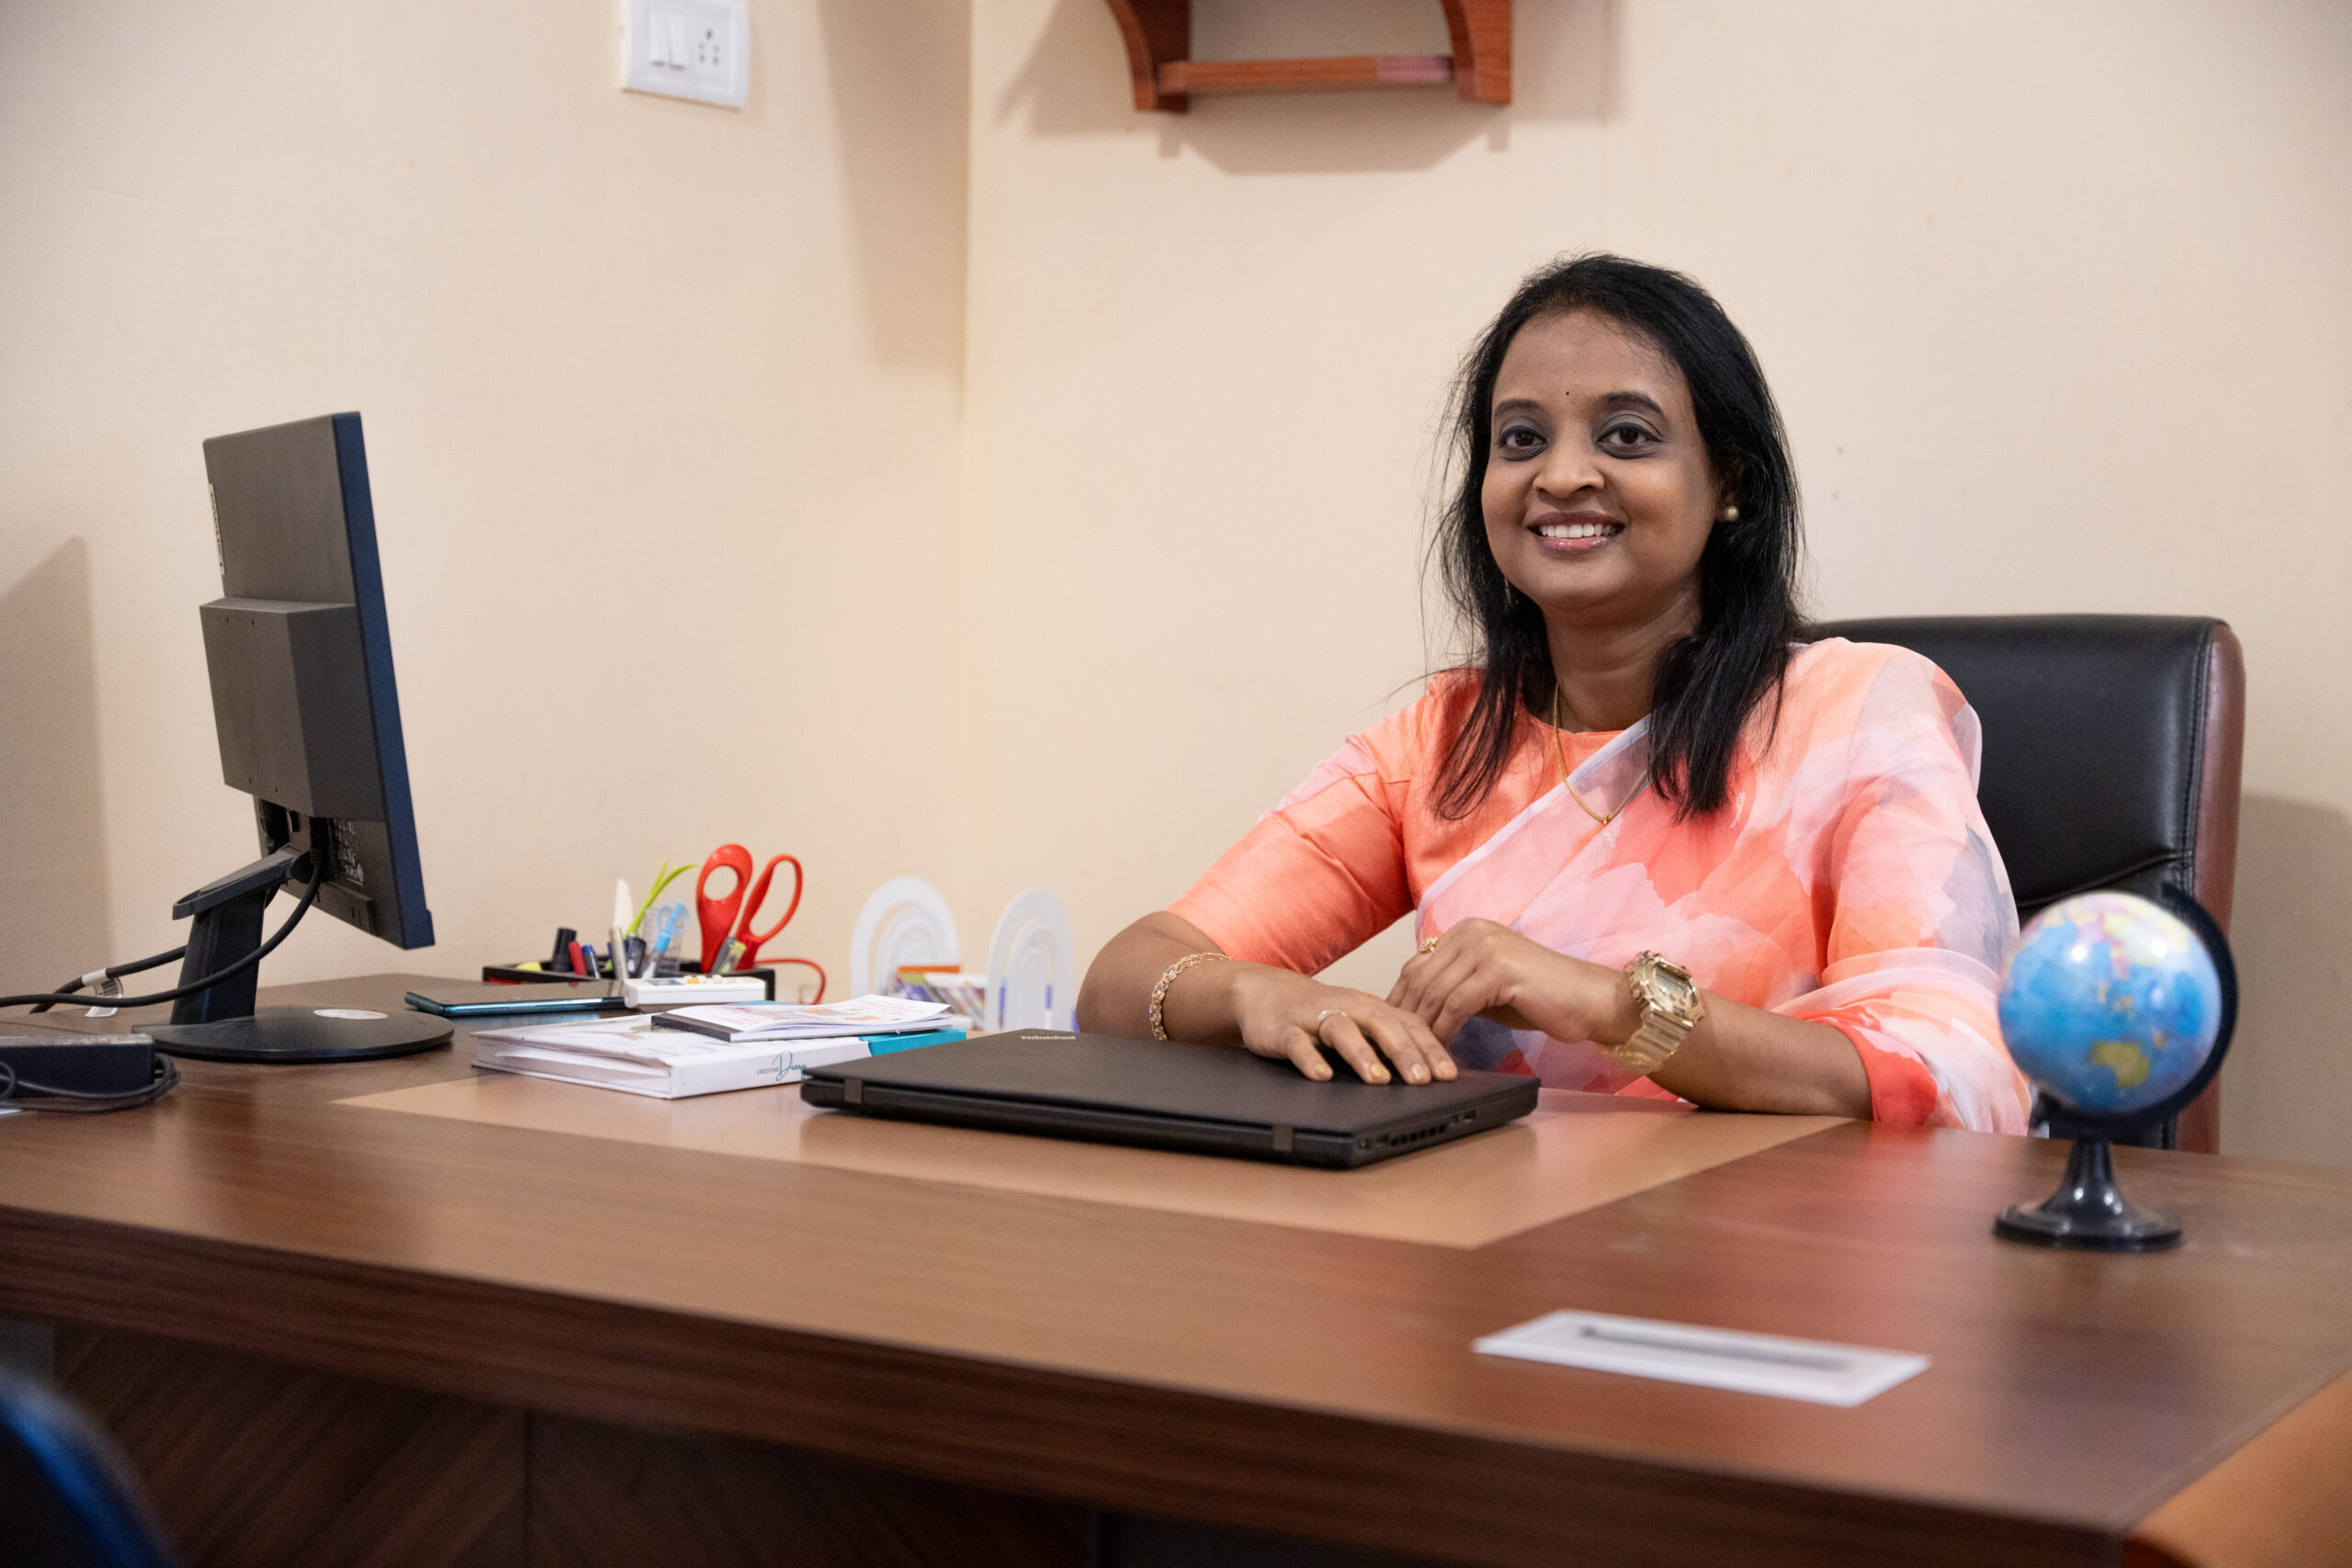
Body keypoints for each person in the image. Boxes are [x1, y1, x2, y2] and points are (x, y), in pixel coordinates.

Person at [1075, 254, 2033, 1134]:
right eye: (1521, 438)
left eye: (1627, 435)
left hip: (1782, 1239)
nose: (1563, 476)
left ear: (1728, 482)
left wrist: (1613, 1005)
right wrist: (1263, 997)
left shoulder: (1861, 713)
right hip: (1495, 1233)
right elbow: (1122, 978)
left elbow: (1950, 1071)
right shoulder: (1442, 744)